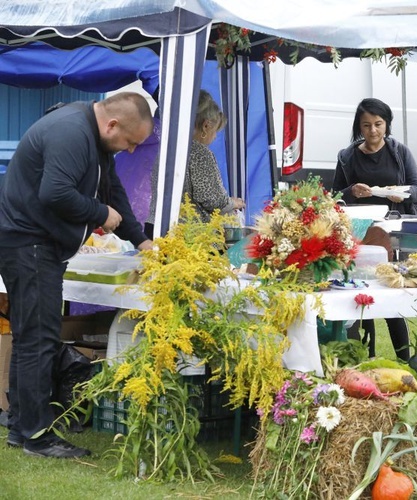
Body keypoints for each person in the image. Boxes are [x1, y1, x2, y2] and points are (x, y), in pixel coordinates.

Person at [0, 92, 155, 458]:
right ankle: (37, 436)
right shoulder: (70, 131)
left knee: (30, 336)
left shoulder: (95, 137)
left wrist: (141, 240)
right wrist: (100, 213)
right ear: (112, 124)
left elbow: (113, 190)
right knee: (40, 338)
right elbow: (55, 192)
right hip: (30, 244)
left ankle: (22, 428)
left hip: (35, 243)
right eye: (130, 142)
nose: (131, 150)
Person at [333, 98, 417, 361]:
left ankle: (405, 359)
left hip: (393, 235)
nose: (373, 131)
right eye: (366, 125)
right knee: (362, 293)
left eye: (378, 124)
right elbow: (332, 196)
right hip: (361, 234)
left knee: (391, 299)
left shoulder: (400, 152)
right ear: (359, 127)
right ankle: (365, 357)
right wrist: (351, 192)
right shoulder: (347, 156)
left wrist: (403, 195)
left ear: (386, 125)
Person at [145, 90, 245, 238]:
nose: (215, 136)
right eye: (215, 130)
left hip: (156, 225)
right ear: (206, 126)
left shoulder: (168, 147)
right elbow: (212, 199)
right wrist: (233, 203)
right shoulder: (199, 153)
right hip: (187, 234)